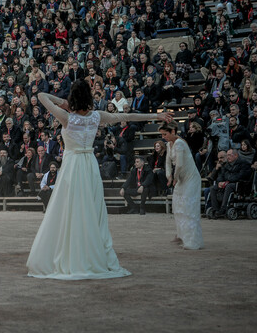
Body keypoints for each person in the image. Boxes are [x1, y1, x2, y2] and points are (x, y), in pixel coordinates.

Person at [27, 80, 172, 280]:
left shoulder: (66, 117)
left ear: (72, 98)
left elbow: (42, 96)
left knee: (69, 208)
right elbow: (128, 115)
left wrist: (63, 102)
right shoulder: (97, 116)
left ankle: (72, 251)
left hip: (72, 166)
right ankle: (92, 251)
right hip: (89, 165)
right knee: (92, 208)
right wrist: (156, 115)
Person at [160, 122, 204, 250]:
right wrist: (169, 176)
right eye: (162, 134)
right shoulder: (169, 144)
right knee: (177, 204)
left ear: (173, 131)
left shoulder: (179, 143)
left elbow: (179, 164)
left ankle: (192, 240)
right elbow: (168, 162)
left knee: (188, 207)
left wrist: (175, 177)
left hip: (190, 178)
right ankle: (181, 235)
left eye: (165, 134)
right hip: (180, 178)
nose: (163, 137)